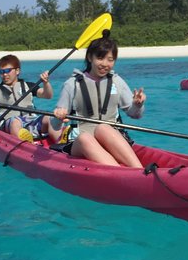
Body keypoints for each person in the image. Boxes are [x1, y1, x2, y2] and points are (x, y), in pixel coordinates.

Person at [49, 30, 144, 167]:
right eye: (100, 58)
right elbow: (55, 126)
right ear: (90, 57)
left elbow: (135, 115)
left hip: (111, 138)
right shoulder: (72, 84)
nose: (105, 64)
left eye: (110, 60)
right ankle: (121, 174)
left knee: (103, 128)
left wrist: (138, 105)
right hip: (80, 143)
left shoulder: (117, 82)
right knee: (85, 138)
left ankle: (138, 170)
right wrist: (58, 117)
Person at [0, 54, 53, 139]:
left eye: (7, 70)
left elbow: (47, 95)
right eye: (1, 72)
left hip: (30, 121)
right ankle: (24, 144)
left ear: (17, 71)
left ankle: (60, 143)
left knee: (49, 118)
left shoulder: (28, 86)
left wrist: (46, 83)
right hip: (9, 124)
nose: (4, 74)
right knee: (15, 122)